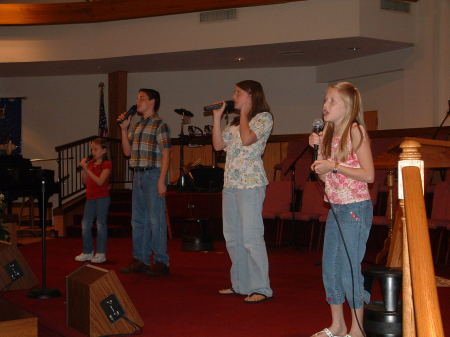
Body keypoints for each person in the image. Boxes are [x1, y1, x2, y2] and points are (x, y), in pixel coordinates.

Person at [309, 82, 374, 337]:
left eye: (332, 101)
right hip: (336, 208)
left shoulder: (355, 131)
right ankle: (338, 325)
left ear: (348, 106)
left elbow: (368, 174)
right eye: (325, 100)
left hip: (355, 208)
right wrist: (319, 160)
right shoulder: (328, 135)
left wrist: (333, 164)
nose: (325, 106)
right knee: (331, 268)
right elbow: (326, 179)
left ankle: (358, 330)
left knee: (349, 270)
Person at [212, 80, 273, 303]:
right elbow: (218, 145)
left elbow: (248, 140)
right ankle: (240, 284)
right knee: (233, 238)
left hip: (251, 185)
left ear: (250, 95)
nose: (233, 96)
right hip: (231, 185)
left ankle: (261, 288)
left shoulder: (263, 118)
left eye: (237, 93)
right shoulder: (235, 123)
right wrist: (218, 118)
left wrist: (246, 113)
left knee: (251, 237)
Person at [118, 88, 171, 277]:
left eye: (141, 98)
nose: (137, 101)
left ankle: (161, 261)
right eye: (137, 97)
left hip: (153, 174)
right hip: (138, 176)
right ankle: (140, 259)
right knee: (138, 220)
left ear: (152, 102)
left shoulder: (160, 125)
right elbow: (127, 152)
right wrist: (124, 130)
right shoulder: (137, 126)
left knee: (156, 219)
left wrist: (162, 180)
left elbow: (166, 154)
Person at [75, 137, 112, 264]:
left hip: (102, 198)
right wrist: (83, 169)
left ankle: (101, 253)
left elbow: (100, 181)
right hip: (90, 198)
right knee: (85, 225)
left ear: (104, 150)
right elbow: (85, 181)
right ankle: (87, 252)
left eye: (95, 149)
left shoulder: (107, 164)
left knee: (101, 225)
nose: (93, 152)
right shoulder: (90, 164)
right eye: (92, 149)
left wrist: (87, 170)